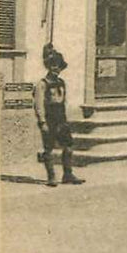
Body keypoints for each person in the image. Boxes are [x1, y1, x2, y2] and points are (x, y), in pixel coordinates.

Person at [33, 49, 84, 187]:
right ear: (48, 67)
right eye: (54, 66)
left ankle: (68, 174)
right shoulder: (42, 84)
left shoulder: (61, 82)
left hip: (61, 118)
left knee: (68, 147)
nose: (57, 69)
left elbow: (64, 101)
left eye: (59, 66)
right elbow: (39, 104)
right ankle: (51, 177)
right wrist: (42, 121)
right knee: (48, 148)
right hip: (49, 119)